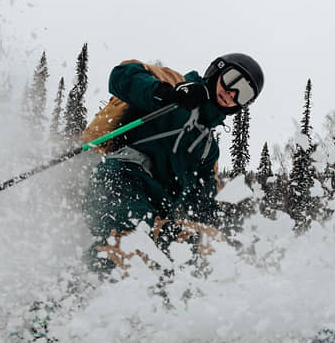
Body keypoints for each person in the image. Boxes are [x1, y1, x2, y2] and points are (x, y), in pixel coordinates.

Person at [81, 53, 264, 274]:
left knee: (188, 248)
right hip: (120, 180)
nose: (231, 92)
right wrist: (165, 94)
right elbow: (122, 77)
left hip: (156, 211)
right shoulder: (175, 83)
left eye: (243, 94)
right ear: (216, 71)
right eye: (231, 80)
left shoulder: (207, 149)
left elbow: (202, 204)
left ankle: (164, 303)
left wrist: (225, 234)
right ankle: (75, 294)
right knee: (133, 241)